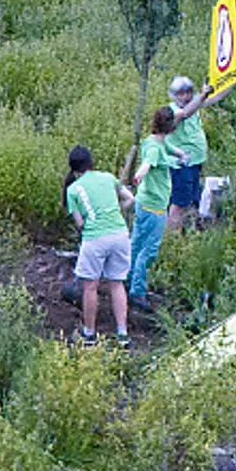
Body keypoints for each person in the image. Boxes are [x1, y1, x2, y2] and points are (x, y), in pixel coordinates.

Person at [65, 144, 134, 345]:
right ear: (90, 162)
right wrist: (116, 212)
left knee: (90, 286)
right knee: (117, 283)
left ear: (74, 169)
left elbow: (80, 223)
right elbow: (130, 199)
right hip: (120, 234)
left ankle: (89, 334)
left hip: (95, 238)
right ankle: (122, 334)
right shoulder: (108, 177)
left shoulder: (73, 190)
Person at [161, 75, 230, 231]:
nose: (185, 97)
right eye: (181, 93)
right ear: (173, 95)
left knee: (191, 201)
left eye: (189, 92)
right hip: (180, 166)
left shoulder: (194, 104)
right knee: (179, 204)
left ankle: (192, 231)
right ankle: (170, 241)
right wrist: (202, 95)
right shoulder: (171, 112)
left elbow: (217, 97)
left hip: (194, 163)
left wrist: (234, 77)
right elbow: (185, 113)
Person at [126, 107, 176, 309]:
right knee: (149, 250)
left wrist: (179, 153)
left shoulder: (151, 141)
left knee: (136, 243)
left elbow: (164, 149)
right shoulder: (155, 149)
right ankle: (137, 292)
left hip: (143, 203)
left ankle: (126, 279)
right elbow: (147, 164)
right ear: (171, 126)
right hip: (155, 207)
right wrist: (137, 177)